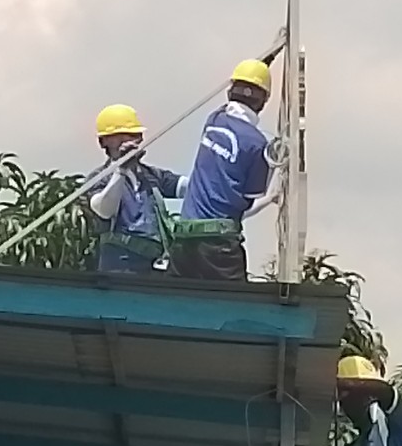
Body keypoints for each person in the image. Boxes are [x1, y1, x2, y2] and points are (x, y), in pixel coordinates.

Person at [168, 59, 281, 281]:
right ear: (263, 101)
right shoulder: (257, 145)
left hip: (184, 240)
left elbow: (232, 103)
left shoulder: (214, 119)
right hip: (218, 247)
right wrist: (273, 165)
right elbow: (249, 200)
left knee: (178, 298)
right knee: (231, 301)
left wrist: (260, 64)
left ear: (230, 92)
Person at [87, 104, 187, 274]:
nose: (132, 140)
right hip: (120, 268)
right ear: (105, 141)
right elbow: (104, 210)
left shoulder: (151, 175)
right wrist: (121, 170)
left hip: (154, 266)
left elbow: (189, 187)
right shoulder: (99, 177)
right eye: (124, 136)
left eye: (135, 135)